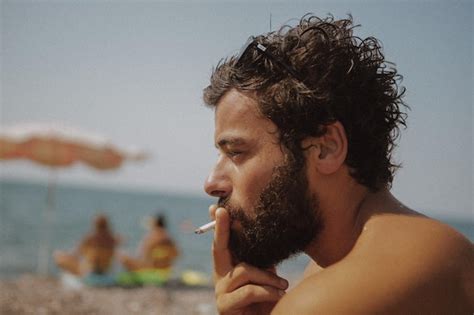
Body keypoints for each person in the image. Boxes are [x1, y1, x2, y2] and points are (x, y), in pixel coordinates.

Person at [201, 14, 474, 314]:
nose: (212, 183)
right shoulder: (418, 249)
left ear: (326, 148)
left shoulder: (328, 300)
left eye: (236, 152)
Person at [54, 214, 119, 276]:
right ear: (107, 225)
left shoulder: (89, 239)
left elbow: (75, 254)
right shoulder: (112, 240)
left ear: (95, 225)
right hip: (105, 270)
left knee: (58, 255)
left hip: (87, 271)